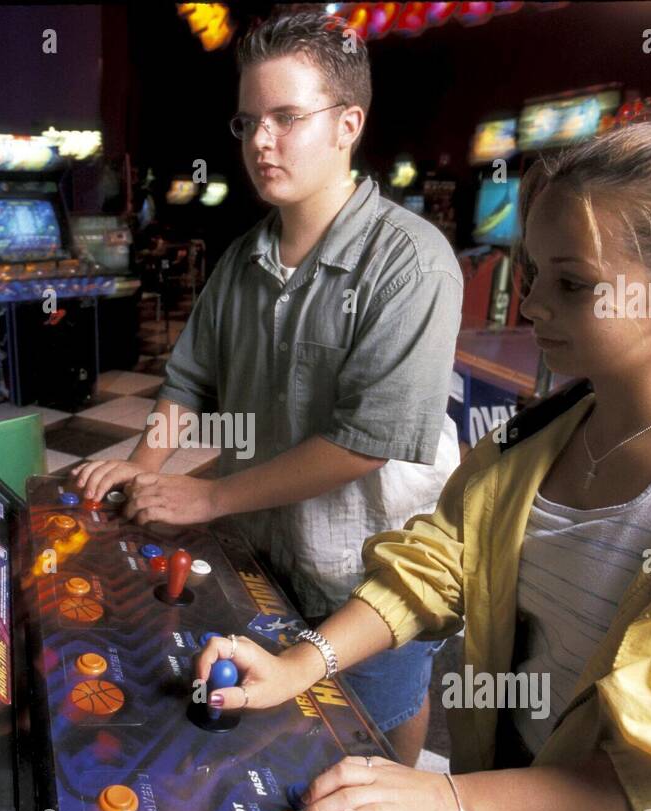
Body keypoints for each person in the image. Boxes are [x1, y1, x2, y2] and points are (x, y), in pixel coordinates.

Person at [195, 79, 651, 811]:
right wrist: (299, 664)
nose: (531, 305)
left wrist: (458, 801)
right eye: (533, 274)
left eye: (573, 284)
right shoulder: (532, 444)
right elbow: (438, 566)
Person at [74, 12, 463, 766]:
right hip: (263, 554)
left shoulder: (413, 262)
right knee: (285, 742)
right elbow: (188, 379)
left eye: (287, 118)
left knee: (374, 728)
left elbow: (368, 442)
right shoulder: (242, 257)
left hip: (371, 576)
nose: (260, 141)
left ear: (348, 124)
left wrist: (209, 497)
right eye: (250, 120)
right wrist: (144, 470)